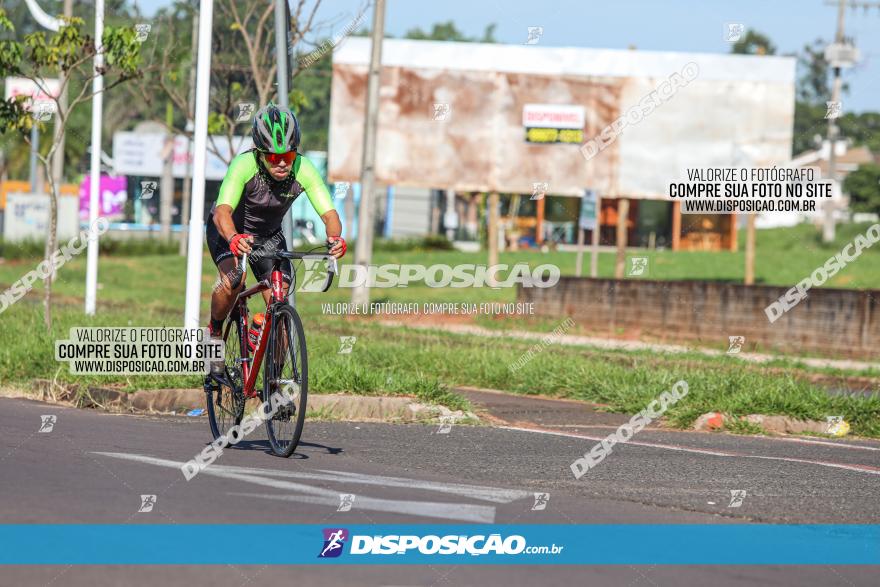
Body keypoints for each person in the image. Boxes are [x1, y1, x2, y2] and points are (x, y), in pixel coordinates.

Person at [205, 102, 346, 342]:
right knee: (233, 282)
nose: (281, 163)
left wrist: (335, 238)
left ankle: (275, 378)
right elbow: (222, 212)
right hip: (229, 231)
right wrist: (233, 238)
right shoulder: (244, 164)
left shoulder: (304, 168)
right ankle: (215, 333)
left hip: (268, 237)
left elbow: (330, 215)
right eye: (273, 156)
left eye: (288, 156)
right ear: (259, 153)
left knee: (280, 306)